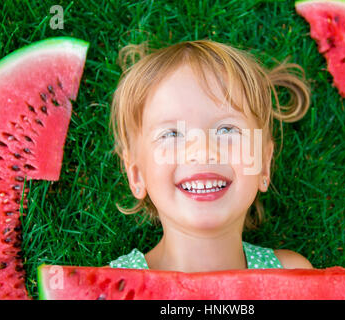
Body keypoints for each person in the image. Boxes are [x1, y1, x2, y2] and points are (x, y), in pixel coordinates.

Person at [108, 39, 313, 272]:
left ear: (264, 164)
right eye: (172, 134)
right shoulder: (111, 286)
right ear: (137, 175)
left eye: (226, 130)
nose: (203, 151)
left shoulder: (290, 274)